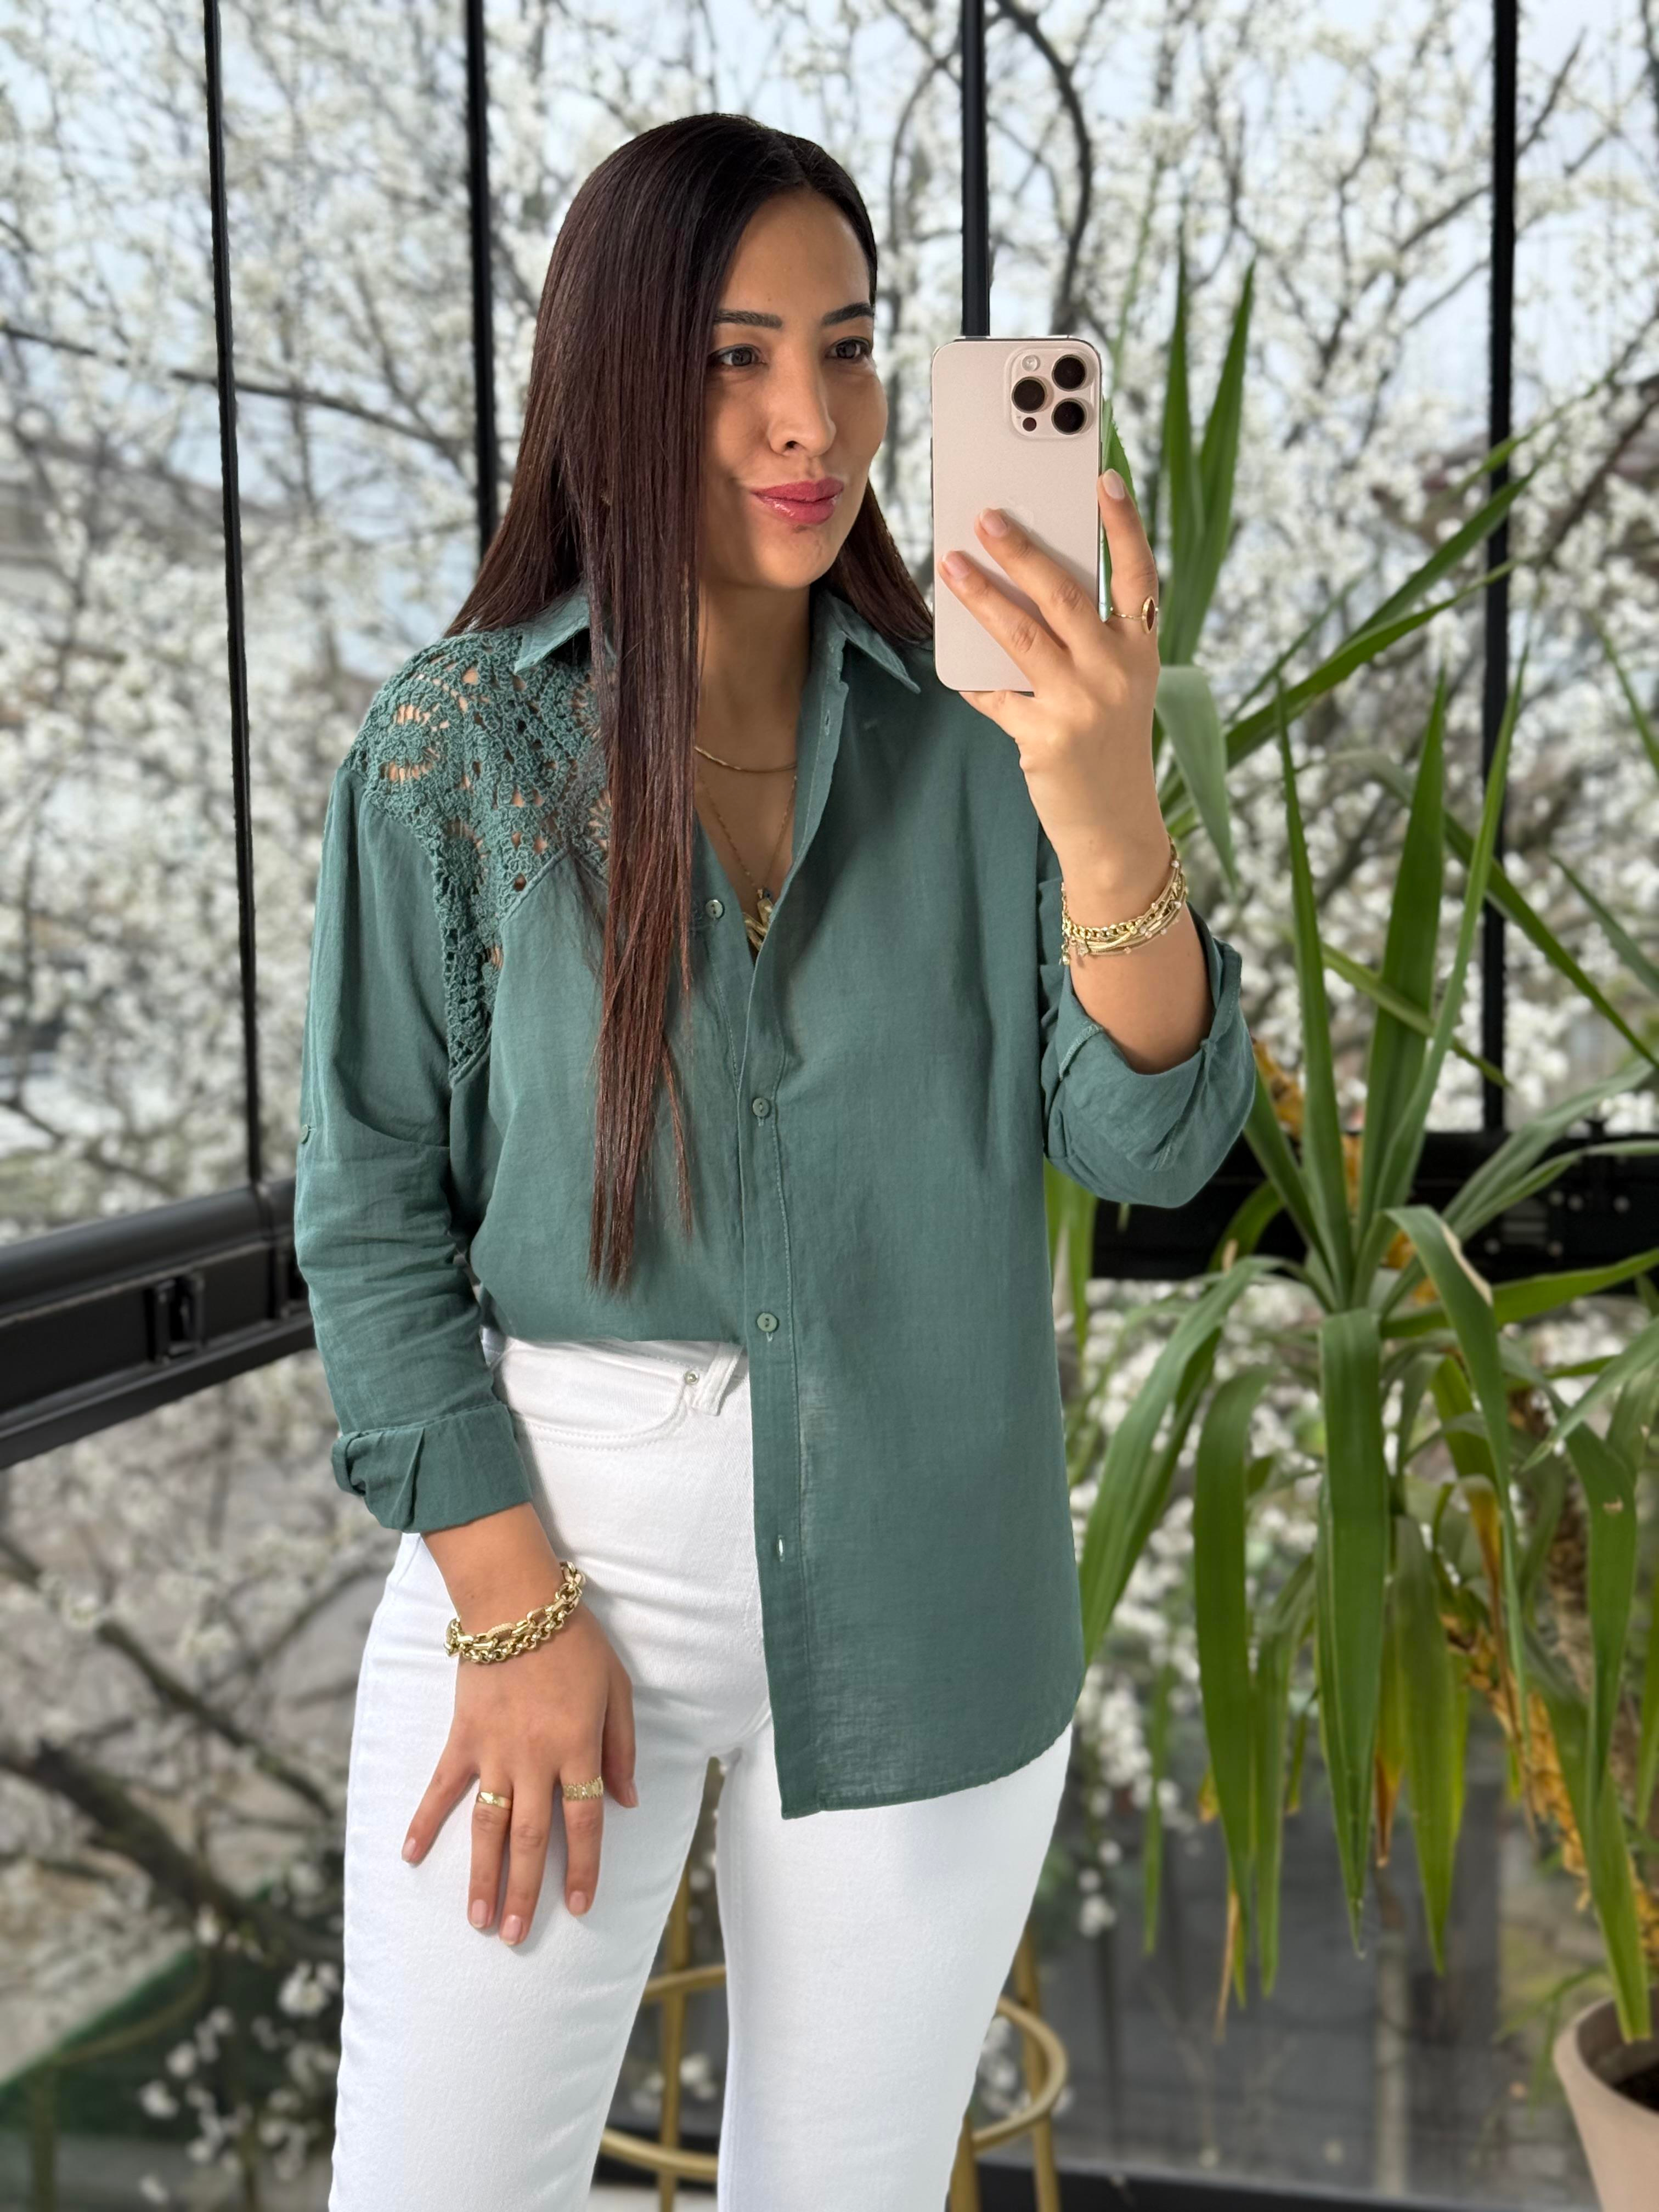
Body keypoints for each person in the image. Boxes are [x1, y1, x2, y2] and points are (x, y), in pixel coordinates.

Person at [294, 111, 1255, 2212]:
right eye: (735, 356)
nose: (810, 420)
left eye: (847, 344)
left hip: (939, 1568)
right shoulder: (458, 749)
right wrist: (508, 1608)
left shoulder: (990, 736)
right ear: (616, 377)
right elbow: (367, 1220)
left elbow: (1156, 1139)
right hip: (560, 1551)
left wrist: (1109, 814)